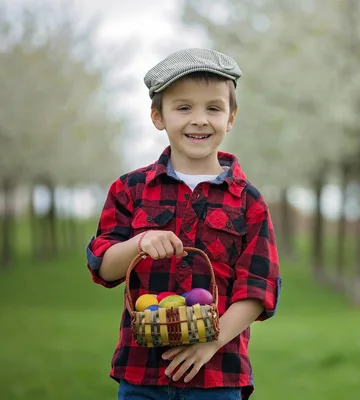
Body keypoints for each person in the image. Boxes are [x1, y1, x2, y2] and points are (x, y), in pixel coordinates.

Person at [85, 48, 282, 400]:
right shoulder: (130, 190)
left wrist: (211, 342)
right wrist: (139, 242)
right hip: (142, 372)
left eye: (214, 108)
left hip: (218, 376)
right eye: (184, 107)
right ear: (158, 116)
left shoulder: (248, 200)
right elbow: (104, 266)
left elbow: (258, 288)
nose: (200, 119)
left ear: (231, 117)